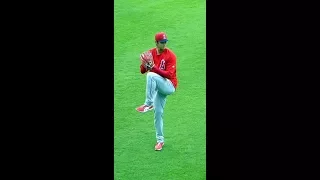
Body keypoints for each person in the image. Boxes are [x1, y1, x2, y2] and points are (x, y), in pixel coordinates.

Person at [136, 32, 178, 151]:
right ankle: (160, 141)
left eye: (165, 42)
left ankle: (148, 104)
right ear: (156, 43)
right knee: (158, 114)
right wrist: (145, 64)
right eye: (162, 42)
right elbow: (142, 70)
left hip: (169, 85)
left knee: (151, 76)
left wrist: (152, 67)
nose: (164, 44)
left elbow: (169, 75)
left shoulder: (171, 56)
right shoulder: (151, 53)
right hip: (160, 88)